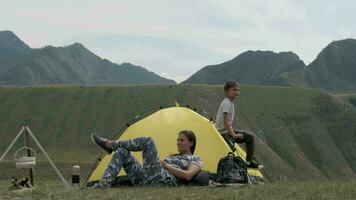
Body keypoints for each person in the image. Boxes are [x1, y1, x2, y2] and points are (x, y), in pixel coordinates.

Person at [90, 130, 202, 188]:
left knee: (148, 141)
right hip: (147, 179)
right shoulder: (173, 156)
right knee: (122, 151)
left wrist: (168, 166)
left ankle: (109, 144)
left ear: (191, 143)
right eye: (177, 140)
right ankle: (103, 184)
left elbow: (188, 175)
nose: (178, 142)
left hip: (162, 181)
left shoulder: (195, 159)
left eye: (182, 140)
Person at [216, 81, 262, 169]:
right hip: (222, 133)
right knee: (230, 151)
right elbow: (225, 122)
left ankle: (249, 162)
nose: (237, 92)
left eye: (238, 90)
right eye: (234, 90)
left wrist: (233, 133)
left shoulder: (230, 103)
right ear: (226, 91)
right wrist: (234, 135)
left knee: (250, 137)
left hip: (228, 131)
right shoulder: (226, 103)